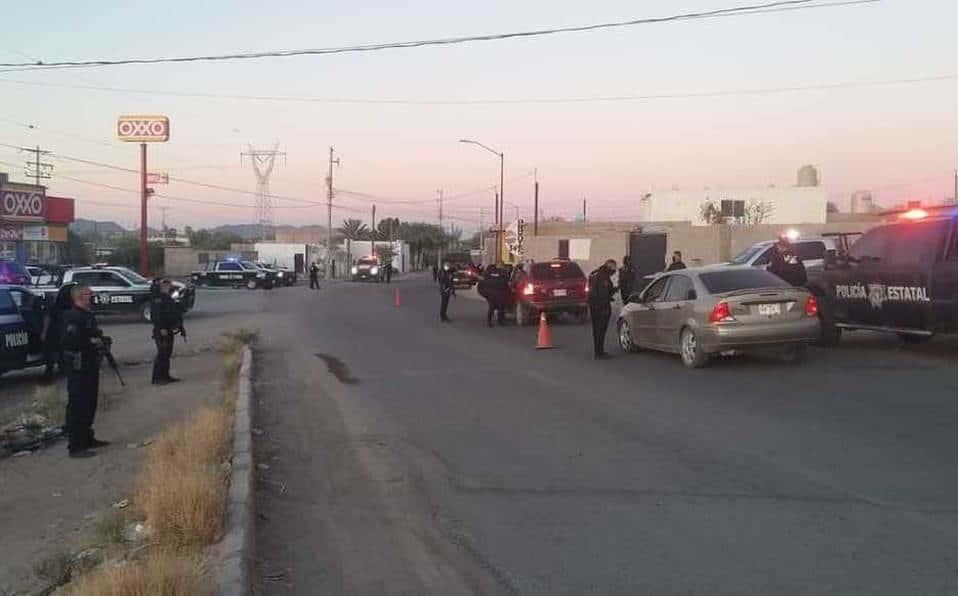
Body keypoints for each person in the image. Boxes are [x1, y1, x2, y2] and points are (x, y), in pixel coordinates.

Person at [61, 284, 110, 458]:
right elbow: (71, 341)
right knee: (78, 405)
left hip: (89, 364)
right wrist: (92, 342)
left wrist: (100, 340)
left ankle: (87, 437)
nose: (91, 297)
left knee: (90, 402)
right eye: (89, 294)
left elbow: (92, 333)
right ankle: (75, 446)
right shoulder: (71, 316)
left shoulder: (87, 314)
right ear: (80, 296)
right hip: (78, 366)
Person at [151, 279, 185, 385]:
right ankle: (157, 378)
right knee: (162, 354)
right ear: (162, 286)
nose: (169, 287)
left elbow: (172, 312)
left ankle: (165, 376)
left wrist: (179, 326)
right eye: (167, 285)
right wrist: (162, 329)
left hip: (168, 329)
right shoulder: (158, 298)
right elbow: (157, 315)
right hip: (162, 330)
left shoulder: (167, 297)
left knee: (167, 354)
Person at [588, 259, 617, 359]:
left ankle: (598, 351)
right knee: (601, 330)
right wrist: (606, 305)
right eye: (613, 268)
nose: (614, 270)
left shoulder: (594, 273)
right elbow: (603, 293)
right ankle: (599, 352)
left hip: (593, 305)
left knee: (596, 330)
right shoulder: (603, 277)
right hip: (601, 306)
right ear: (609, 267)